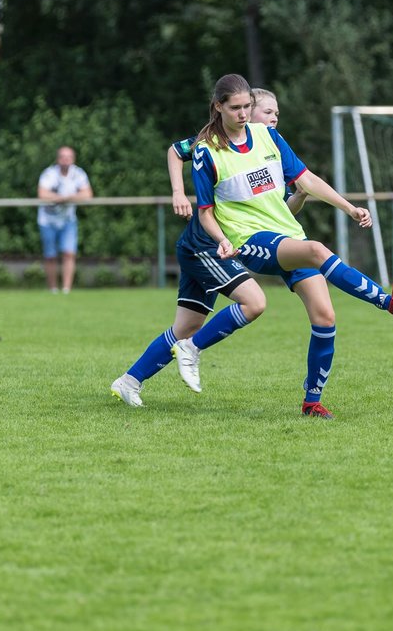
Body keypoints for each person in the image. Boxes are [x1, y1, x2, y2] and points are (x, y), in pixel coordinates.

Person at [177, 73, 393, 419]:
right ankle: (387, 302)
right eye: (237, 108)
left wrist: (350, 207)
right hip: (250, 240)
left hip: (287, 235)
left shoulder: (268, 137)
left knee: (325, 317)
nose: (244, 113)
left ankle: (312, 402)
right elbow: (205, 214)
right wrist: (223, 241)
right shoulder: (207, 152)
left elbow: (306, 180)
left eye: (248, 106)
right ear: (218, 108)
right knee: (318, 250)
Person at [111, 87, 305, 410]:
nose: (273, 119)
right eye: (267, 112)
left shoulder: (267, 149)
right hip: (206, 246)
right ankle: (192, 350)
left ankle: (129, 381)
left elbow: (282, 211)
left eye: (276, 115)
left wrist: (301, 194)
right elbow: (175, 151)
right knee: (254, 301)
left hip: (214, 246)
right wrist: (177, 192)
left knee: (186, 326)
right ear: (238, 110)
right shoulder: (213, 143)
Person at [37, 146, 93, 293]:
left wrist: (67, 198)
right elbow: (42, 194)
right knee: (50, 255)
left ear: (73, 159)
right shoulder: (49, 174)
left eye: (68, 157)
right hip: (47, 220)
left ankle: (66, 289)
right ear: (58, 159)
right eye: (62, 157)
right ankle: (53, 289)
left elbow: (87, 195)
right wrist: (60, 198)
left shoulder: (78, 174)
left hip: (68, 220)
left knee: (69, 253)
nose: (65, 160)